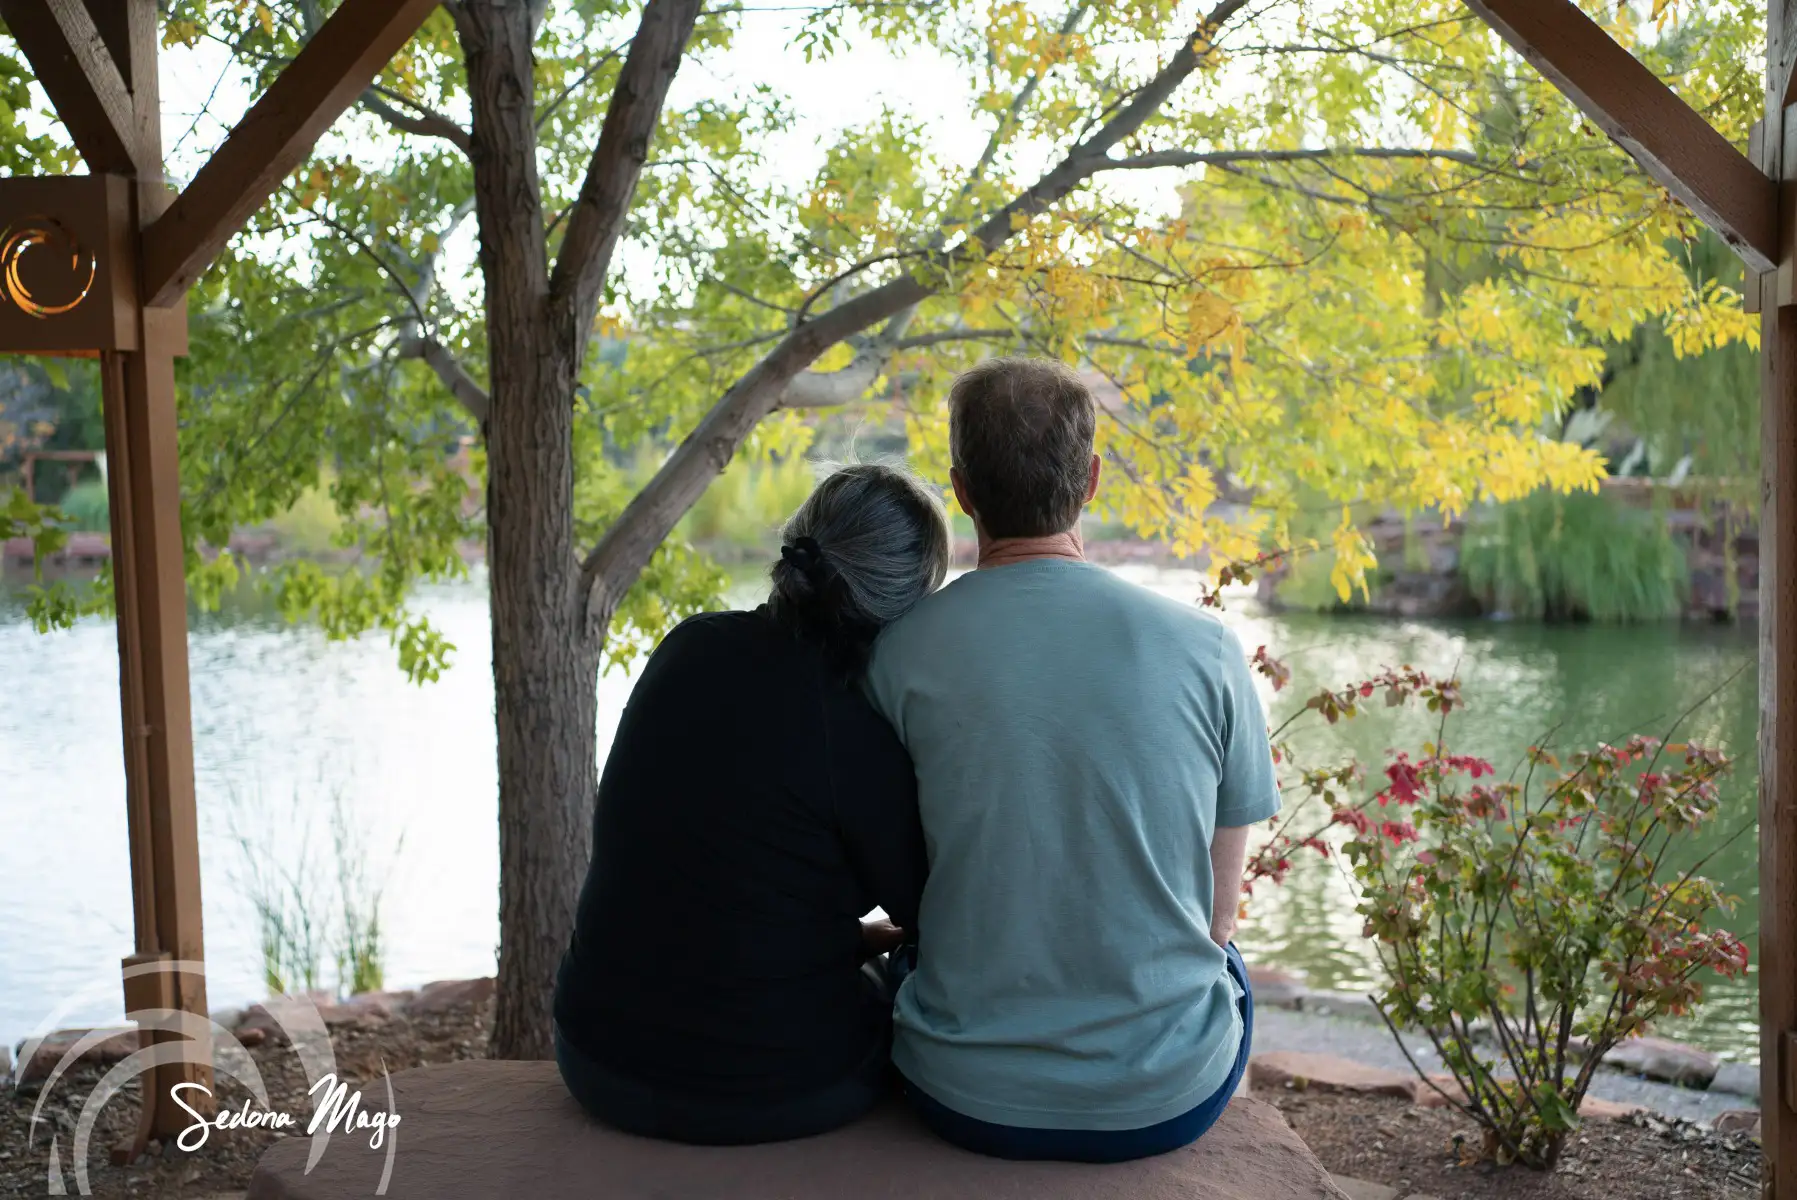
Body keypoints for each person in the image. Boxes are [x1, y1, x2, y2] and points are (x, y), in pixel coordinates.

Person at [864, 357, 1281, 1163]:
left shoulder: (895, 654)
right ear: (1090, 480)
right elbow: (1217, 919)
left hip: (960, 1093)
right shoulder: (1207, 648)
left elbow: (894, 879)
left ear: (961, 491)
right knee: (1223, 965)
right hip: (1164, 1101)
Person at [553, 462, 951, 1145]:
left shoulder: (687, 645)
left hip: (592, 1054)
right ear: (907, 607)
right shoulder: (855, 728)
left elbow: (713, 879)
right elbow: (933, 917)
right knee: (918, 977)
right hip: (762, 1089)